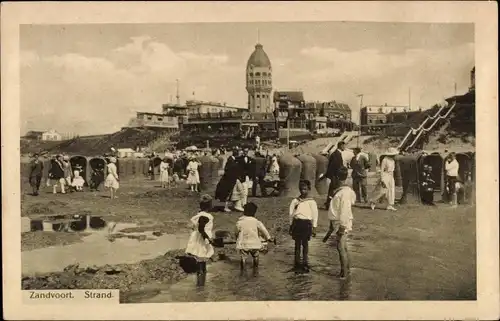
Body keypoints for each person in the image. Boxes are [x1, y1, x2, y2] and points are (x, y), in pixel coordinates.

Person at [323, 166, 356, 279]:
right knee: (343, 247)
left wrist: (342, 226)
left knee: (341, 247)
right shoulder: (343, 191)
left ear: (337, 178)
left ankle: (344, 273)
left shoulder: (344, 193)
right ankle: (347, 270)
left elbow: (345, 210)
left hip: (342, 222)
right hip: (338, 222)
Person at [235, 202, 273, 276]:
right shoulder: (257, 222)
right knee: (255, 256)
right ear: (254, 212)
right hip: (255, 243)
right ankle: (255, 270)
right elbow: (264, 230)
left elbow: (236, 231)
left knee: (243, 257)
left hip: (244, 243)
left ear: (244, 212)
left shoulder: (239, 222)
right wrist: (268, 238)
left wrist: (236, 238)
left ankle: (243, 271)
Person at [289, 180, 319, 273]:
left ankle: (305, 262)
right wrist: (291, 225)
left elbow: (315, 215)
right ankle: (297, 263)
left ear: (309, 189)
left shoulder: (312, 202)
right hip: (297, 223)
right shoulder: (295, 201)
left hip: (307, 224)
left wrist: (314, 227)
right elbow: (291, 214)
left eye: (305, 189)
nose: (303, 191)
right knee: (297, 244)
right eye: (301, 189)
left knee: (305, 244)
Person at [185, 194, 214, 287]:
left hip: (198, 236)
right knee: (202, 254)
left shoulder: (199, 215)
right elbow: (201, 229)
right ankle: (201, 280)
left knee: (202, 256)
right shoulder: (205, 216)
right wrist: (207, 238)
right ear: (209, 206)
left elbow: (196, 227)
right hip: (202, 237)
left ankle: (202, 277)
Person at [320, 141, 345, 209]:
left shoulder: (336, 154)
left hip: (335, 176)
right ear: (340, 146)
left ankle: (329, 204)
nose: (344, 147)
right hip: (335, 176)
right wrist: (334, 176)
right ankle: (329, 204)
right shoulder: (336, 154)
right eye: (343, 146)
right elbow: (333, 166)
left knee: (333, 190)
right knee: (333, 191)